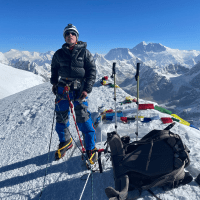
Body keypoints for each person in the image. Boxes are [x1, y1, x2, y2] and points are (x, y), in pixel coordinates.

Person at [50, 24, 97, 164]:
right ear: (65, 37)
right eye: (67, 33)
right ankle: (66, 141)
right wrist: (54, 83)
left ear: (76, 37)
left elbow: (91, 72)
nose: (70, 35)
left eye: (73, 33)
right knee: (61, 118)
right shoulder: (58, 54)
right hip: (62, 89)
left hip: (79, 90)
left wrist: (86, 89)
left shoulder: (85, 53)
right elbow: (54, 69)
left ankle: (90, 148)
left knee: (83, 118)